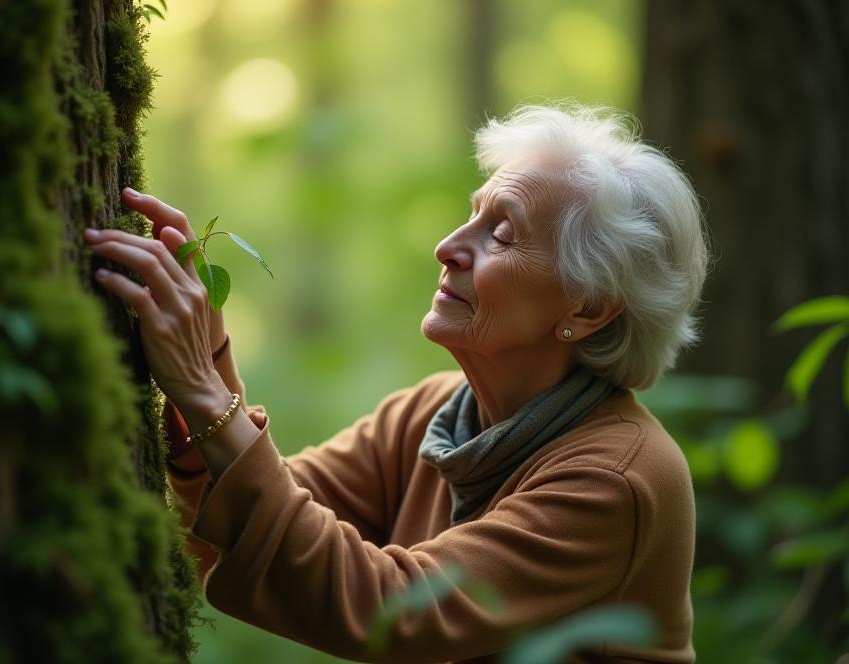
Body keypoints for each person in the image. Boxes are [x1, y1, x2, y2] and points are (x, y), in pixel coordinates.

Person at [84, 104, 707, 664]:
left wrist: (202, 386)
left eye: (503, 234)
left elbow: (392, 611)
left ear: (589, 309)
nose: (447, 247)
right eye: (472, 214)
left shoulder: (618, 480)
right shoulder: (433, 414)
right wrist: (209, 356)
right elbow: (245, 526)